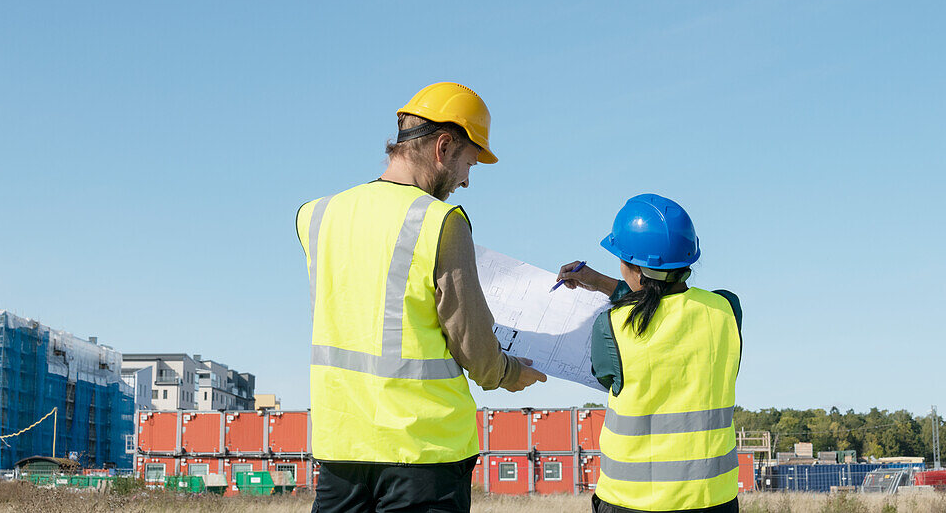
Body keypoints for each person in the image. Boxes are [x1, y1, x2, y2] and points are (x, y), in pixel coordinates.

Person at [296, 82, 546, 513]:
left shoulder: (318, 214)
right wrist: (509, 373)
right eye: (469, 162)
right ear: (444, 147)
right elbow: (473, 344)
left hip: (341, 449)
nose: (466, 181)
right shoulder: (440, 221)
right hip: (424, 454)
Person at [555, 194, 743, 513]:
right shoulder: (726, 310)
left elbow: (607, 374)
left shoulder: (612, 326)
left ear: (635, 269)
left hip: (631, 500)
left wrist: (601, 283)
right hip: (713, 499)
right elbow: (658, 296)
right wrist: (599, 281)